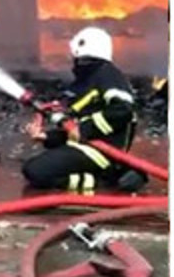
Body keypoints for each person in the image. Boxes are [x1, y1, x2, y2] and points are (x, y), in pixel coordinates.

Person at [21, 27, 146, 192]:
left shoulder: (107, 74)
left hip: (102, 152)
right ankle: (110, 175)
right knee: (34, 170)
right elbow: (73, 128)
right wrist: (45, 137)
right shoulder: (84, 83)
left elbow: (124, 110)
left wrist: (84, 129)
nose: (73, 58)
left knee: (37, 172)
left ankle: (110, 179)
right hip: (85, 147)